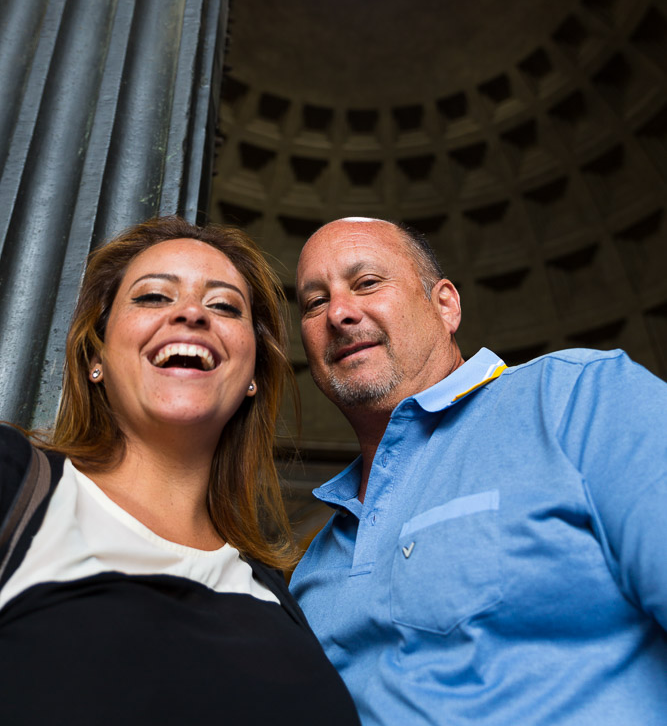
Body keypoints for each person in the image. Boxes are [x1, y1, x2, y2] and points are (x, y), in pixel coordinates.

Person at [290, 216, 667, 726]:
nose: (338, 312)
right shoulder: (311, 572)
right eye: (314, 303)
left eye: (367, 283)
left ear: (445, 304)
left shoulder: (581, 398)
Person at [0, 216, 359, 726]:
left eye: (223, 306)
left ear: (253, 376)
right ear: (94, 356)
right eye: (152, 297)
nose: (192, 313)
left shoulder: (277, 593)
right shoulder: (16, 486)